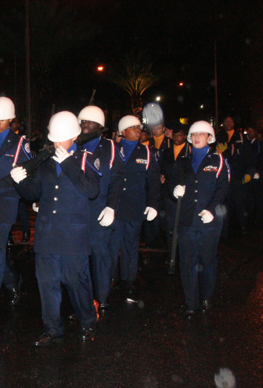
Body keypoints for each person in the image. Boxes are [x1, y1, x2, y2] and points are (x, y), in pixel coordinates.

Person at [13, 111, 100, 346]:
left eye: (62, 138)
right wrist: (20, 182)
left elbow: (92, 190)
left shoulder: (87, 160)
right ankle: (52, 329)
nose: (57, 143)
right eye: (54, 138)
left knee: (76, 281)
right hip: (47, 233)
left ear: (75, 137)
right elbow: (35, 193)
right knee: (47, 283)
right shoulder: (45, 162)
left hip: (73, 234)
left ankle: (87, 321)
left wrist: (69, 164)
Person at [168, 120, 229, 317]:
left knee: (208, 260)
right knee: (187, 263)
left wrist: (212, 209)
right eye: (194, 135)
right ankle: (191, 303)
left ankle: (205, 296)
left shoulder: (219, 160)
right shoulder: (183, 161)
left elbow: (222, 188)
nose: (197, 138)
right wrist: (174, 190)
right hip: (186, 220)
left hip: (209, 221)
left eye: (201, 135)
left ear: (209, 138)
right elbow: (172, 181)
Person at [0, 98, 31, 320]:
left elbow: (22, 173)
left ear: (11, 119)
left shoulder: (20, 144)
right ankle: (11, 280)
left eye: (2, 119)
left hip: (5, 203)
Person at [108, 115, 160, 300]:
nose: (138, 131)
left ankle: (129, 281)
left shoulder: (146, 153)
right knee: (112, 247)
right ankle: (110, 280)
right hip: (113, 208)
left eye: (139, 128)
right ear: (123, 132)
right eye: (133, 128)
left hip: (134, 208)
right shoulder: (112, 150)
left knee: (130, 246)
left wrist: (152, 204)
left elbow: (154, 182)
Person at [77, 105, 124, 310]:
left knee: (100, 256)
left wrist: (111, 207)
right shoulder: (74, 145)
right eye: (82, 122)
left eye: (90, 122)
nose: (85, 126)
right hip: (76, 211)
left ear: (100, 126)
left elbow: (117, 180)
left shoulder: (111, 148)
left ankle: (102, 297)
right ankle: (84, 300)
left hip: (100, 210)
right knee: (79, 259)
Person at [215, 115, 252, 234]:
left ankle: (242, 226)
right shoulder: (218, 136)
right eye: (226, 121)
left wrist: (249, 172)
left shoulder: (241, 136)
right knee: (224, 204)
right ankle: (224, 230)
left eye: (231, 121)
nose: (229, 123)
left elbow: (246, 155)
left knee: (240, 203)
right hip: (224, 176)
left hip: (238, 175)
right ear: (223, 123)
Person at [159, 124, 191, 251]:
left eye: (179, 135)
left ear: (185, 136)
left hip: (184, 192)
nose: (177, 138)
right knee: (170, 225)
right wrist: (162, 176)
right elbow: (162, 167)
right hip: (169, 192)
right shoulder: (167, 151)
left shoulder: (190, 151)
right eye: (175, 135)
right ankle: (171, 251)